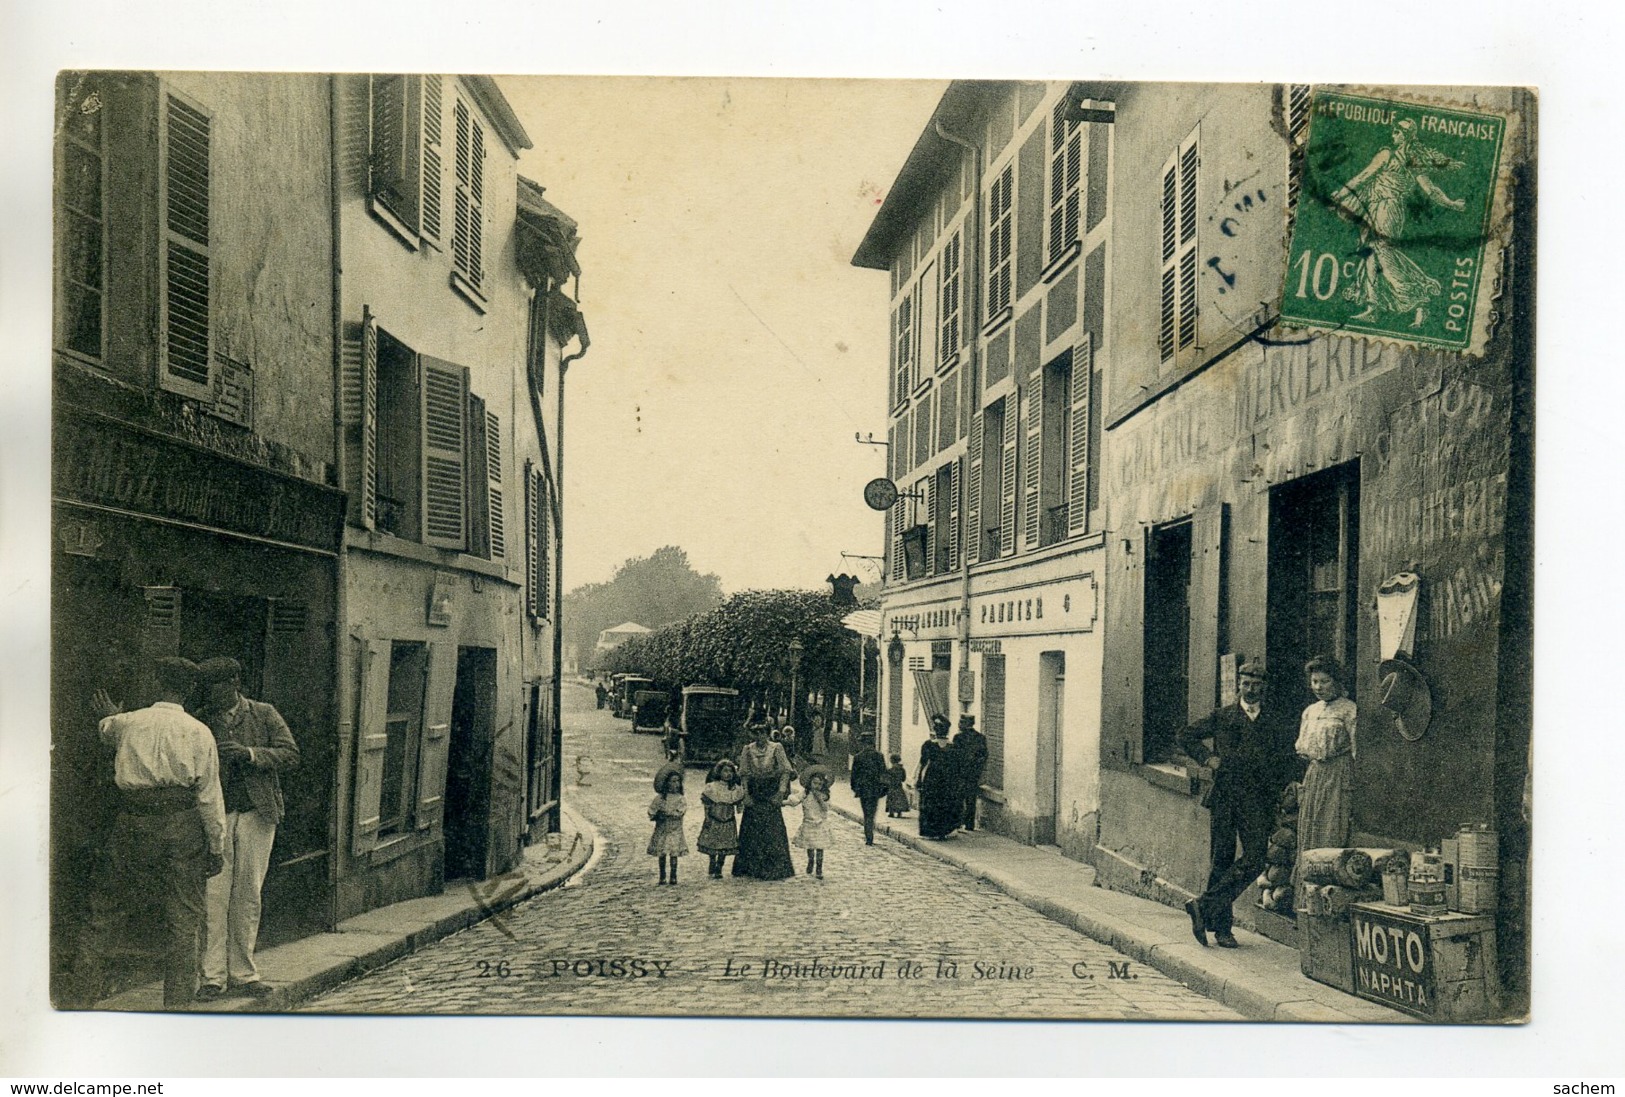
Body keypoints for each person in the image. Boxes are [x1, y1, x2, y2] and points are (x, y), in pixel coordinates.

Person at [67, 657, 226, 1009]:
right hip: (181, 825)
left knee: (105, 911)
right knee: (184, 917)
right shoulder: (200, 732)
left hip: (132, 823)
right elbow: (209, 797)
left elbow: (106, 729)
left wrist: (109, 714)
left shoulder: (128, 723)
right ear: (189, 690)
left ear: (157, 684)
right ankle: (178, 1006)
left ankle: (80, 999)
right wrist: (216, 847)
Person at [194, 657, 300, 1000]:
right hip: (215, 816)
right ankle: (212, 978)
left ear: (235, 683)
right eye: (207, 687)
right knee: (213, 896)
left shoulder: (264, 713)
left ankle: (244, 974)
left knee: (248, 894)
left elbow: (290, 754)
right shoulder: (200, 719)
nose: (212, 693)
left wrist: (250, 754)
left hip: (257, 813)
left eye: (218, 686)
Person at [1176, 660, 1295, 949]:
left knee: (1255, 858)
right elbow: (1186, 736)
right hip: (1226, 797)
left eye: (1256, 684)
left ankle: (1202, 906)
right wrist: (1207, 759)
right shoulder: (1223, 716)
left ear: (1263, 688)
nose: (1250, 689)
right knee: (1222, 860)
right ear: (1238, 685)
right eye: (1246, 684)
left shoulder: (1273, 720)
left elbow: (1283, 759)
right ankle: (1222, 929)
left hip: (1258, 801)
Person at [1328, 116, 1467, 327]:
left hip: (1388, 208)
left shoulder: (1399, 158)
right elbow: (1366, 176)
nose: (1393, 134)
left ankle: (1419, 297)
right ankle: (1374, 307)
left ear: (1406, 136)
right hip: (1375, 207)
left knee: (1382, 253)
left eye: (1398, 131)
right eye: (1394, 131)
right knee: (1370, 255)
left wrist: (1452, 203)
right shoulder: (1401, 159)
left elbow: (1429, 190)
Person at [1294, 655, 1357, 894]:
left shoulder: (1349, 710)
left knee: (1331, 829)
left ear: (1337, 682)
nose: (1319, 687)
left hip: (1339, 774)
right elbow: (1304, 748)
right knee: (1310, 828)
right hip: (1315, 774)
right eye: (1315, 682)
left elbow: (1357, 750)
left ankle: (1326, 893)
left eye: (1325, 681)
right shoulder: (1310, 711)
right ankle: (1305, 896)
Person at [733, 722, 796, 880]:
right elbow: (744, 774)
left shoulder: (777, 748)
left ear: (768, 733)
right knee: (752, 828)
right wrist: (746, 795)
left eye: (762, 733)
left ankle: (774, 868)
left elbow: (785, 771)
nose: (759, 736)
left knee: (772, 828)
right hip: (754, 791)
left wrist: (780, 793)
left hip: (770, 790)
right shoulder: (748, 749)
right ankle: (749, 868)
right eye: (756, 733)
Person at [697, 759, 745, 878]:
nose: (728, 774)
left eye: (731, 771)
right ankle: (712, 862)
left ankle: (719, 866)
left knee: (725, 844)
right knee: (713, 843)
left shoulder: (735, 789)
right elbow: (707, 804)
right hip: (714, 818)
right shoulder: (712, 787)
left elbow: (738, 802)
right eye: (725, 771)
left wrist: (739, 805)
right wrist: (707, 817)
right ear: (719, 772)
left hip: (728, 820)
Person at [917, 714, 961, 839]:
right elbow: (957, 767)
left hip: (932, 777)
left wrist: (919, 779)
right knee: (945, 803)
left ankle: (932, 831)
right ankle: (943, 831)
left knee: (931, 803)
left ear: (935, 731)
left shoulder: (928, 745)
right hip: (948, 779)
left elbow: (922, 763)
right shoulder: (953, 747)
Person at [786, 767, 833, 878]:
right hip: (808, 823)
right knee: (810, 846)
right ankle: (811, 861)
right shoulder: (805, 794)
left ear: (823, 785)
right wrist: (783, 802)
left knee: (820, 847)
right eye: (814, 783)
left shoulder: (824, 796)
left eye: (819, 784)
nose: (816, 786)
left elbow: (826, 808)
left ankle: (819, 868)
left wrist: (820, 799)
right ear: (810, 783)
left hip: (821, 824)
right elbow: (794, 801)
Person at [648, 764, 688, 886]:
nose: (675, 784)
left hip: (675, 829)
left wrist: (669, 813)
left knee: (673, 852)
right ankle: (662, 875)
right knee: (662, 852)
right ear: (667, 783)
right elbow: (652, 810)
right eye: (672, 781)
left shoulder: (680, 799)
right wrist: (656, 815)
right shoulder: (660, 798)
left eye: (677, 781)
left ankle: (673, 875)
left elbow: (680, 811)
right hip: (662, 829)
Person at [951, 714, 989, 831]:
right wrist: (978, 769)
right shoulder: (980, 737)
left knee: (958, 797)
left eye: (961, 722)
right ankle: (969, 825)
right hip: (974, 773)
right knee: (971, 799)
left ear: (967, 723)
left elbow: (954, 755)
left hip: (960, 772)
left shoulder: (958, 737)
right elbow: (984, 756)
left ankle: (957, 823)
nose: (959, 724)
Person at [849, 732, 888, 845]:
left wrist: (855, 788)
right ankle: (869, 835)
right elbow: (883, 773)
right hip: (875, 789)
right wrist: (884, 789)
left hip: (863, 790)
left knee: (866, 813)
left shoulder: (858, 757)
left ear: (863, 743)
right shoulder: (879, 756)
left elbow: (854, 775)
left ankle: (868, 836)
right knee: (872, 812)